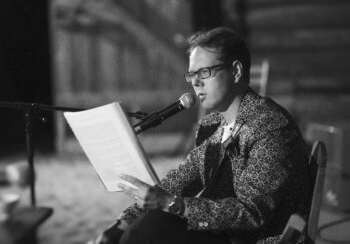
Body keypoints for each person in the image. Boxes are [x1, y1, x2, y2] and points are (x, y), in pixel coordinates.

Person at [93, 27, 311, 244]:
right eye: (192, 74)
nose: (196, 82)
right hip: (225, 236)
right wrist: (120, 225)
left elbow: (253, 214)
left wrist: (172, 204)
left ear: (235, 71)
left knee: (156, 225)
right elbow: (178, 182)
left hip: (258, 240)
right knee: (151, 222)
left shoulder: (270, 126)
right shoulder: (214, 126)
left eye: (204, 72)